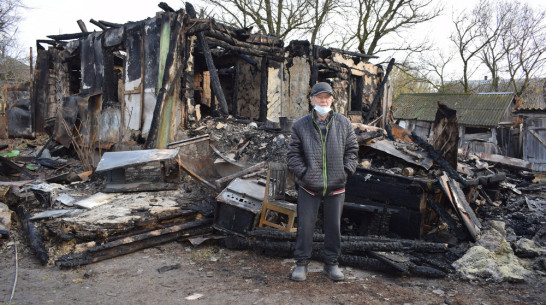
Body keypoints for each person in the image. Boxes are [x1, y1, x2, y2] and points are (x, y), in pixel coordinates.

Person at [287, 82, 359, 282]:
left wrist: (345, 171)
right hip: (309, 187)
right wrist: (305, 174)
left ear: (332, 100)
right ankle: (301, 264)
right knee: (305, 227)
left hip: (336, 186)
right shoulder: (300, 125)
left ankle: (331, 264)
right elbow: (293, 154)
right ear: (312, 100)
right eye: (319, 97)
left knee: (334, 227)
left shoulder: (344, 123)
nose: (323, 100)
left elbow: (353, 150)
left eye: (327, 97)